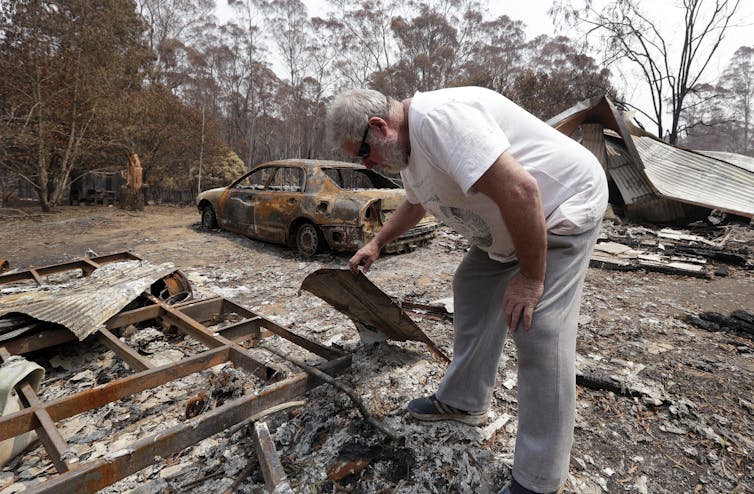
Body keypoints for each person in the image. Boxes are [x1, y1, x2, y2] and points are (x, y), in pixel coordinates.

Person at [325, 86, 608, 494]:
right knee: (472, 285)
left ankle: (540, 479)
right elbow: (414, 203)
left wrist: (530, 279)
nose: (366, 163)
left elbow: (522, 191)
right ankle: (463, 401)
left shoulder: (442, 120)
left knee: (540, 326)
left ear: (379, 126)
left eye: (362, 153)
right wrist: (377, 243)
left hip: (559, 209)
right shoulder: (406, 152)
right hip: (513, 225)